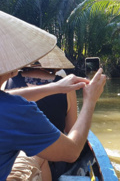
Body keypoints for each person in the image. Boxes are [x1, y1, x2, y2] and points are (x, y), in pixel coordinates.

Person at [0, 10, 106, 181]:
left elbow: (5, 96)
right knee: (41, 156)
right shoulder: (17, 111)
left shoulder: (9, 97)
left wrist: (54, 88)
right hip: (55, 154)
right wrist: (90, 102)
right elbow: (72, 150)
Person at [4, 46, 80, 180]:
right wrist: (90, 101)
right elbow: (71, 129)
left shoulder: (7, 84)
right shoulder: (67, 87)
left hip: (10, 157)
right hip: (54, 159)